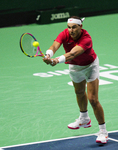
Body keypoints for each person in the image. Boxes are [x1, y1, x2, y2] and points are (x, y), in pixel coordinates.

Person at [43, 16, 108, 144]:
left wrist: (57, 60)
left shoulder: (86, 39)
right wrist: (48, 55)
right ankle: (84, 119)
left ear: (80, 27)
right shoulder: (64, 34)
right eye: (69, 27)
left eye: (74, 27)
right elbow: (55, 45)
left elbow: (72, 53)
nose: (71, 30)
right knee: (79, 92)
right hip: (74, 66)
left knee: (93, 99)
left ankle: (103, 132)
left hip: (90, 66)